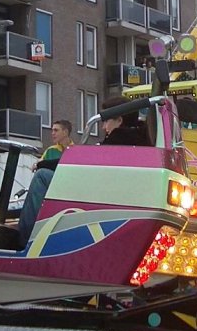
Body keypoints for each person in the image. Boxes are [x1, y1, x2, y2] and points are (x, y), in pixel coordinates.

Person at [17, 100, 149, 245]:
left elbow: (77, 160)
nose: (103, 127)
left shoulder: (117, 140)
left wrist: (41, 164)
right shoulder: (138, 141)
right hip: (110, 191)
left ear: (119, 120)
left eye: (106, 121)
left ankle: (25, 237)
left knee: (42, 176)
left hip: (95, 191)